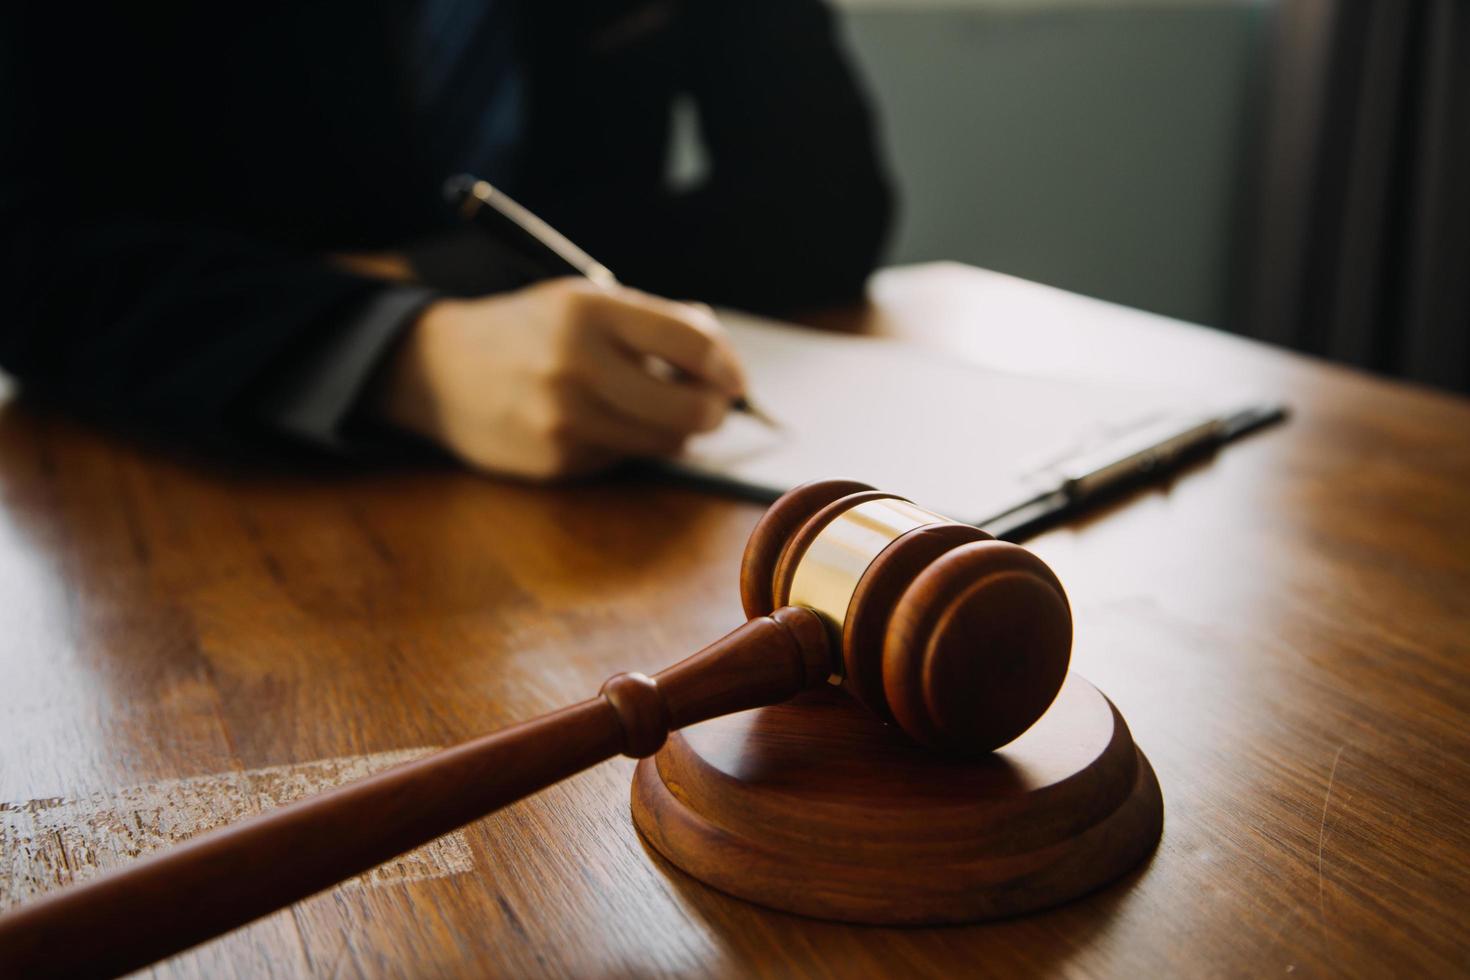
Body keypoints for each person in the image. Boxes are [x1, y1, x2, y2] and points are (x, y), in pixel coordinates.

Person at [0, 1, 892, 479]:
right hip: (194, 496)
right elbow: (33, 253)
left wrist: (440, 274)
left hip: (618, 490)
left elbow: (829, 200)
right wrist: (406, 357)